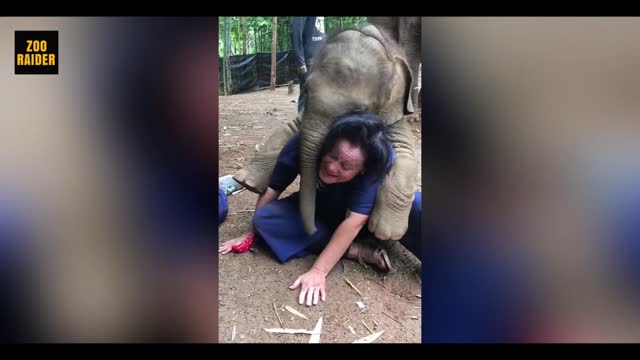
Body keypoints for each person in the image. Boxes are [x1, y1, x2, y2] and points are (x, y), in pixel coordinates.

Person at [219, 112, 421, 306]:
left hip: (368, 217)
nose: (333, 167)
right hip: (318, 210)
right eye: (332, 156)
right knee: (265, 219)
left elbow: (355, 220)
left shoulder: (378, 160)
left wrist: (318, 271)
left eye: (346, 166)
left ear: (363, 168)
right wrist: (253, 232)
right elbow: (273, 188)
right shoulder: (305, 141)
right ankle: (353, 249)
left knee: (418, 206)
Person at [291, 17, 325, 113]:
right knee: (306, 94)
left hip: (320, 58)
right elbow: (296, 34)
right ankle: (301, 123)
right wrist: (300, 62)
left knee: (318, 95)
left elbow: (321, 33)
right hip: (308, 60)